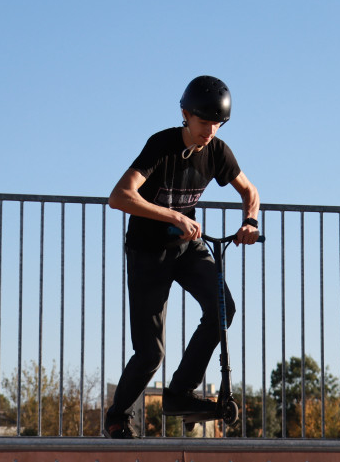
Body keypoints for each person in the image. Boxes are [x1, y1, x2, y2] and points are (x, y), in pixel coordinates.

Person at [103, 75, 261, 438]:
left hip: (188, 248)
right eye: (204, 122)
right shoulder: (162, 145)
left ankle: (179, 393)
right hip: (148, 251)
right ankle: (118, 416)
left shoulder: (218, 151)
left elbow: (249, 190)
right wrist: (173, 215)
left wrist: (249, 221)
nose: (210, 131)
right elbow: (120, 196)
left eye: (217, 124)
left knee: (223, 308)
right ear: (186, 115)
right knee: (150, 352)